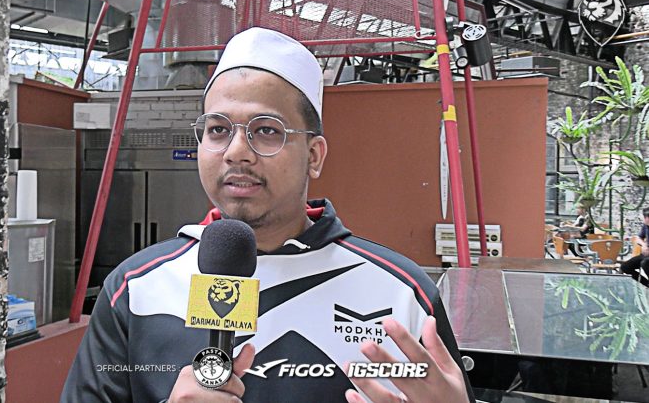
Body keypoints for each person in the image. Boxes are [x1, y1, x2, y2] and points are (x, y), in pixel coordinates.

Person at [61, 27, 474, 403]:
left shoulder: (400, 294)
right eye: (218, 129)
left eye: (266, 130)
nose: (236, 151)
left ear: (314, 156)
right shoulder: (135, 289)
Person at [619, 207, 649, 287]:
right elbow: (638, 238)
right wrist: (644, 245)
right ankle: (646, 284)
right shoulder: (645, 226)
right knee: (625, 267)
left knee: (645, 263)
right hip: (645, 254)